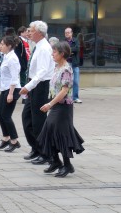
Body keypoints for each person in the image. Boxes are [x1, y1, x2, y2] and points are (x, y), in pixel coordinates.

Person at [36, 41, 85, 177]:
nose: (52, 54)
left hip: (64, 107)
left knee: (61, 135)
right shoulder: (57, 67)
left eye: (55, 52)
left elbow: (64, 91)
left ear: (62, 54)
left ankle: (67, 165)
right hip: (56, 105)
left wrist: (49, 104)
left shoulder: (66, 69)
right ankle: (56, 161)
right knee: (49, 131)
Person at [19, 20, 55, 164]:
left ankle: (45, 153)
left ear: (39, 33)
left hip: (41, 86)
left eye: (31, 31)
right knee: (27, 117)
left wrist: (29, 86)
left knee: (39, 121)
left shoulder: (44, 48)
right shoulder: (37, 46)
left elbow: (42, 71)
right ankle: (36, 147)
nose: (29, 33)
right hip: (34, 86)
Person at [0, 36, 21, 152]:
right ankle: (6, 138)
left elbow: (14, 78)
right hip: (5, 89)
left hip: (12, 89)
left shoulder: (13, 59)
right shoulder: (6, 56)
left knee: (6, 115)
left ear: (9, 46)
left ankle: (14, 141)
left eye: (3, 44)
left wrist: (10, 94)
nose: (0, 46)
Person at [64, 27, 82, 103]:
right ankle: (66, 97)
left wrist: (68, 50)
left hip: (74, 64)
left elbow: (77, 49)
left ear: (71, 33)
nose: (67, 34)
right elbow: (62, 50)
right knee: (66, 81)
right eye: (65, 33)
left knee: (75, 81)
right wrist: (71, 51)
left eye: (68, 32)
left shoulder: (76, 41)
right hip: (66, 64)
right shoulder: (64, 42)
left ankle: (75, 97)